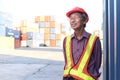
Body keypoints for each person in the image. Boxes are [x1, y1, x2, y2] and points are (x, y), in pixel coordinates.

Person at [63, 7, 102, 80]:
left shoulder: (94, 40)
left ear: (85, 21)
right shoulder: (66, 40)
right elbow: (67, 62)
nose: (72, 21)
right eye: (71, 18)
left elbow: (97, 64)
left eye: (76, 17)